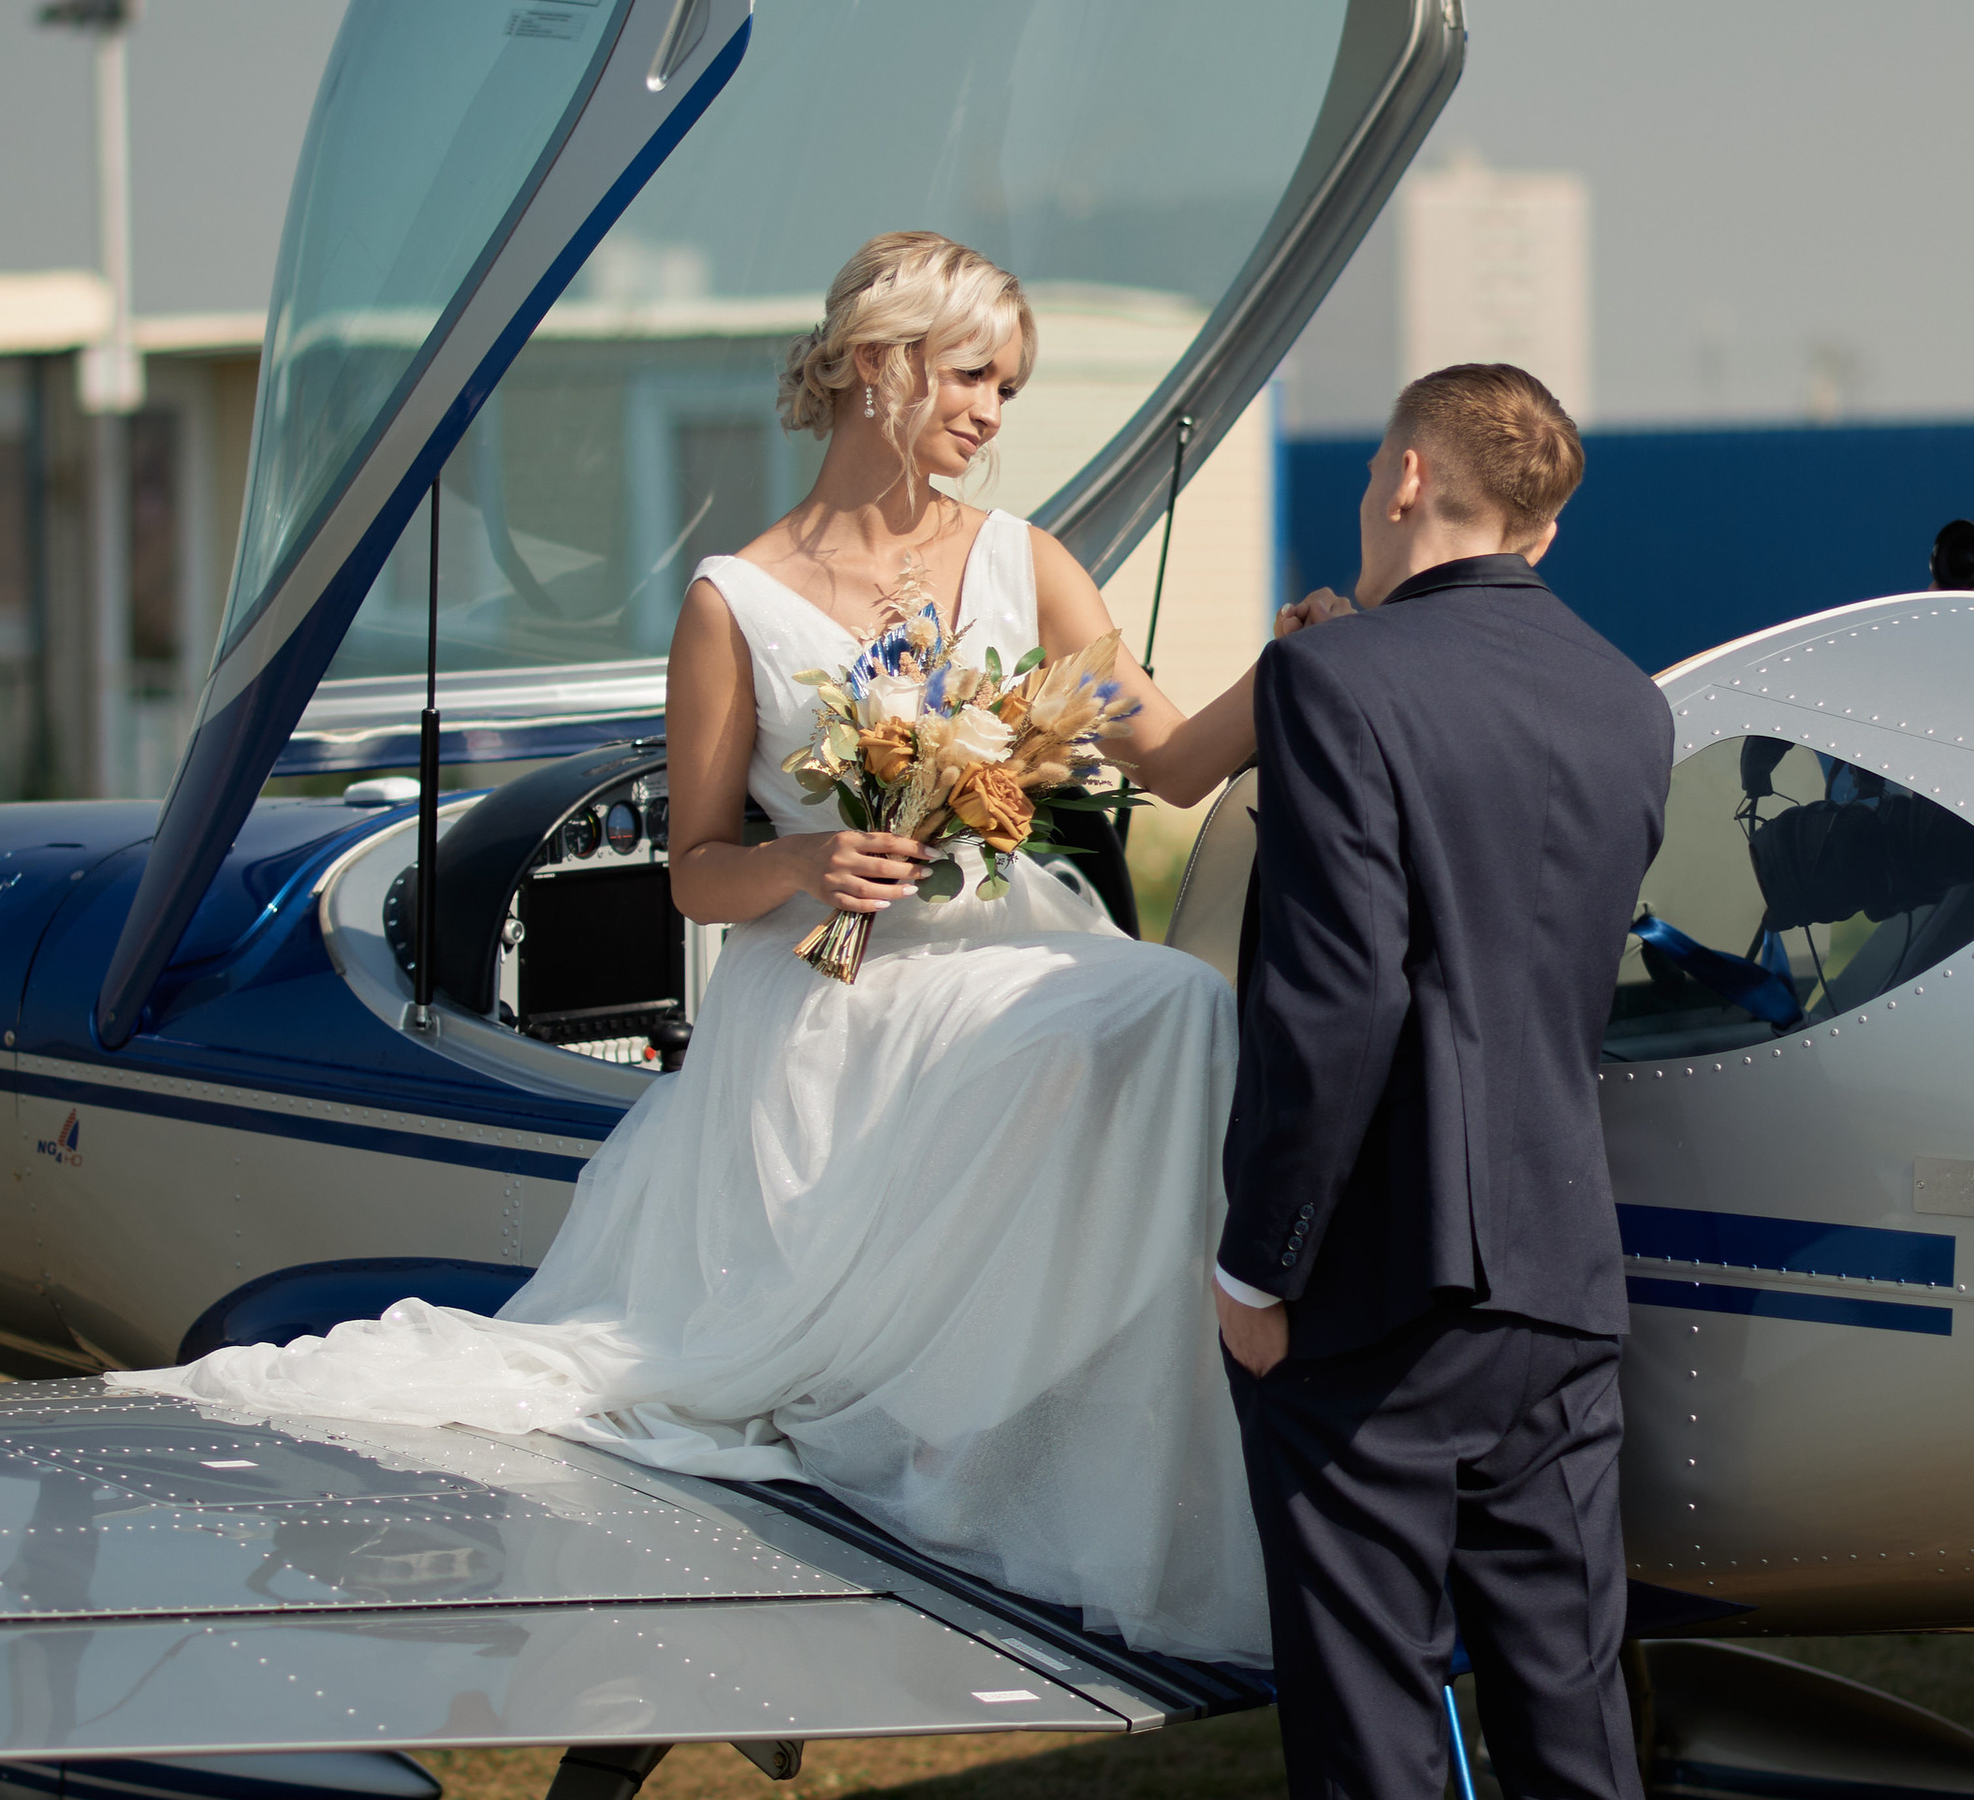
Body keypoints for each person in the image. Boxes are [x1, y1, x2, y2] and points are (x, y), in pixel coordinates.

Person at [123, 231, 1312, 1658]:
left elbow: (1176, 757)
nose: (997, 411)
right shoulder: (732, 604)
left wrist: (1308, 661)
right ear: (886, 365)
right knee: (1147, 1015)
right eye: (978, 374)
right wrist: (812, 854)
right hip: (829, 994)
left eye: (1011, 383)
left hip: (1000, 947)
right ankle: (928, 1424)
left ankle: (1028, 1426)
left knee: (1175, 1005)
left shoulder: (1026, 563)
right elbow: (695, 876)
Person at [1164, 364, 1676, 1800]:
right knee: (1576, 1773)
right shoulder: (1626, 700)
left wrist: (1251, 1259)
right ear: (1536, 522)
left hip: (1376, 1292)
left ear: (1399, 483)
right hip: (1563, 1270)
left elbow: (1328, 1005)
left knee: (1373, 1764)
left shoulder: (1341, 684)